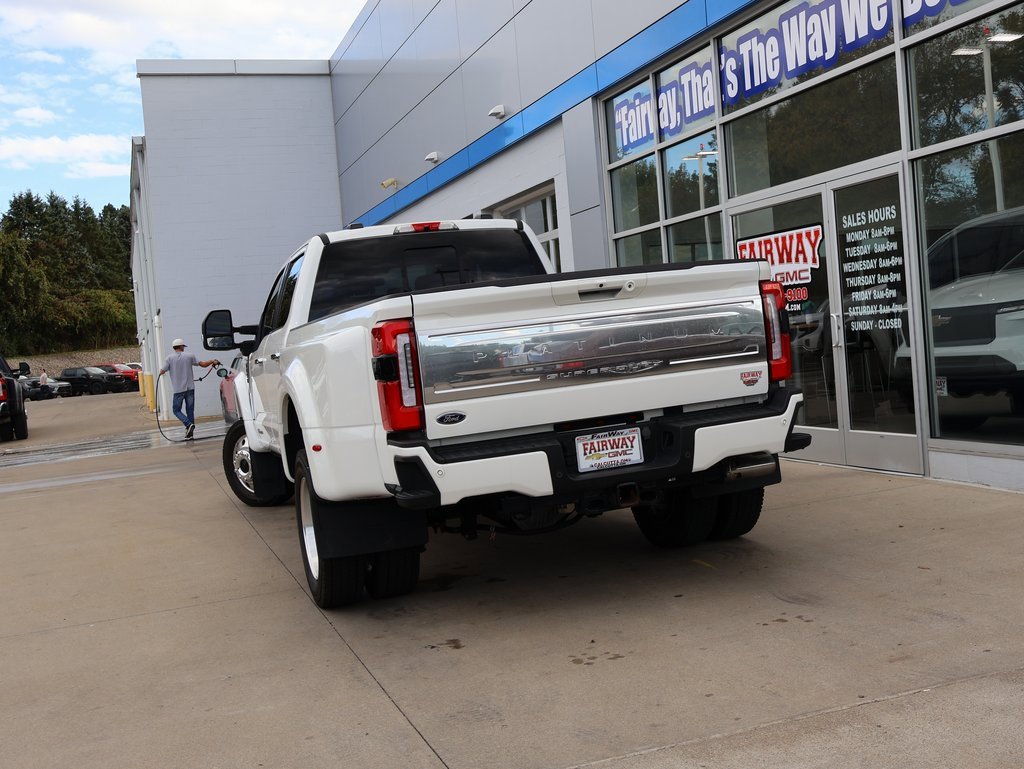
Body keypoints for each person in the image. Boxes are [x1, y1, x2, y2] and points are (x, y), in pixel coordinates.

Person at [158, 338, 220, 440]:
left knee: (176, 410)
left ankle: (188, 424)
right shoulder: (190, 356)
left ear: (174, 347)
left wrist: (162, 372)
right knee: (190, 410)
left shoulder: (169, 358)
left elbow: (162, 371)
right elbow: (203, 364)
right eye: (183, 346)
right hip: (190, 388)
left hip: (178, 390)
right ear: (181, 346)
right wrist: (212, 361)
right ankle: (190, 432)